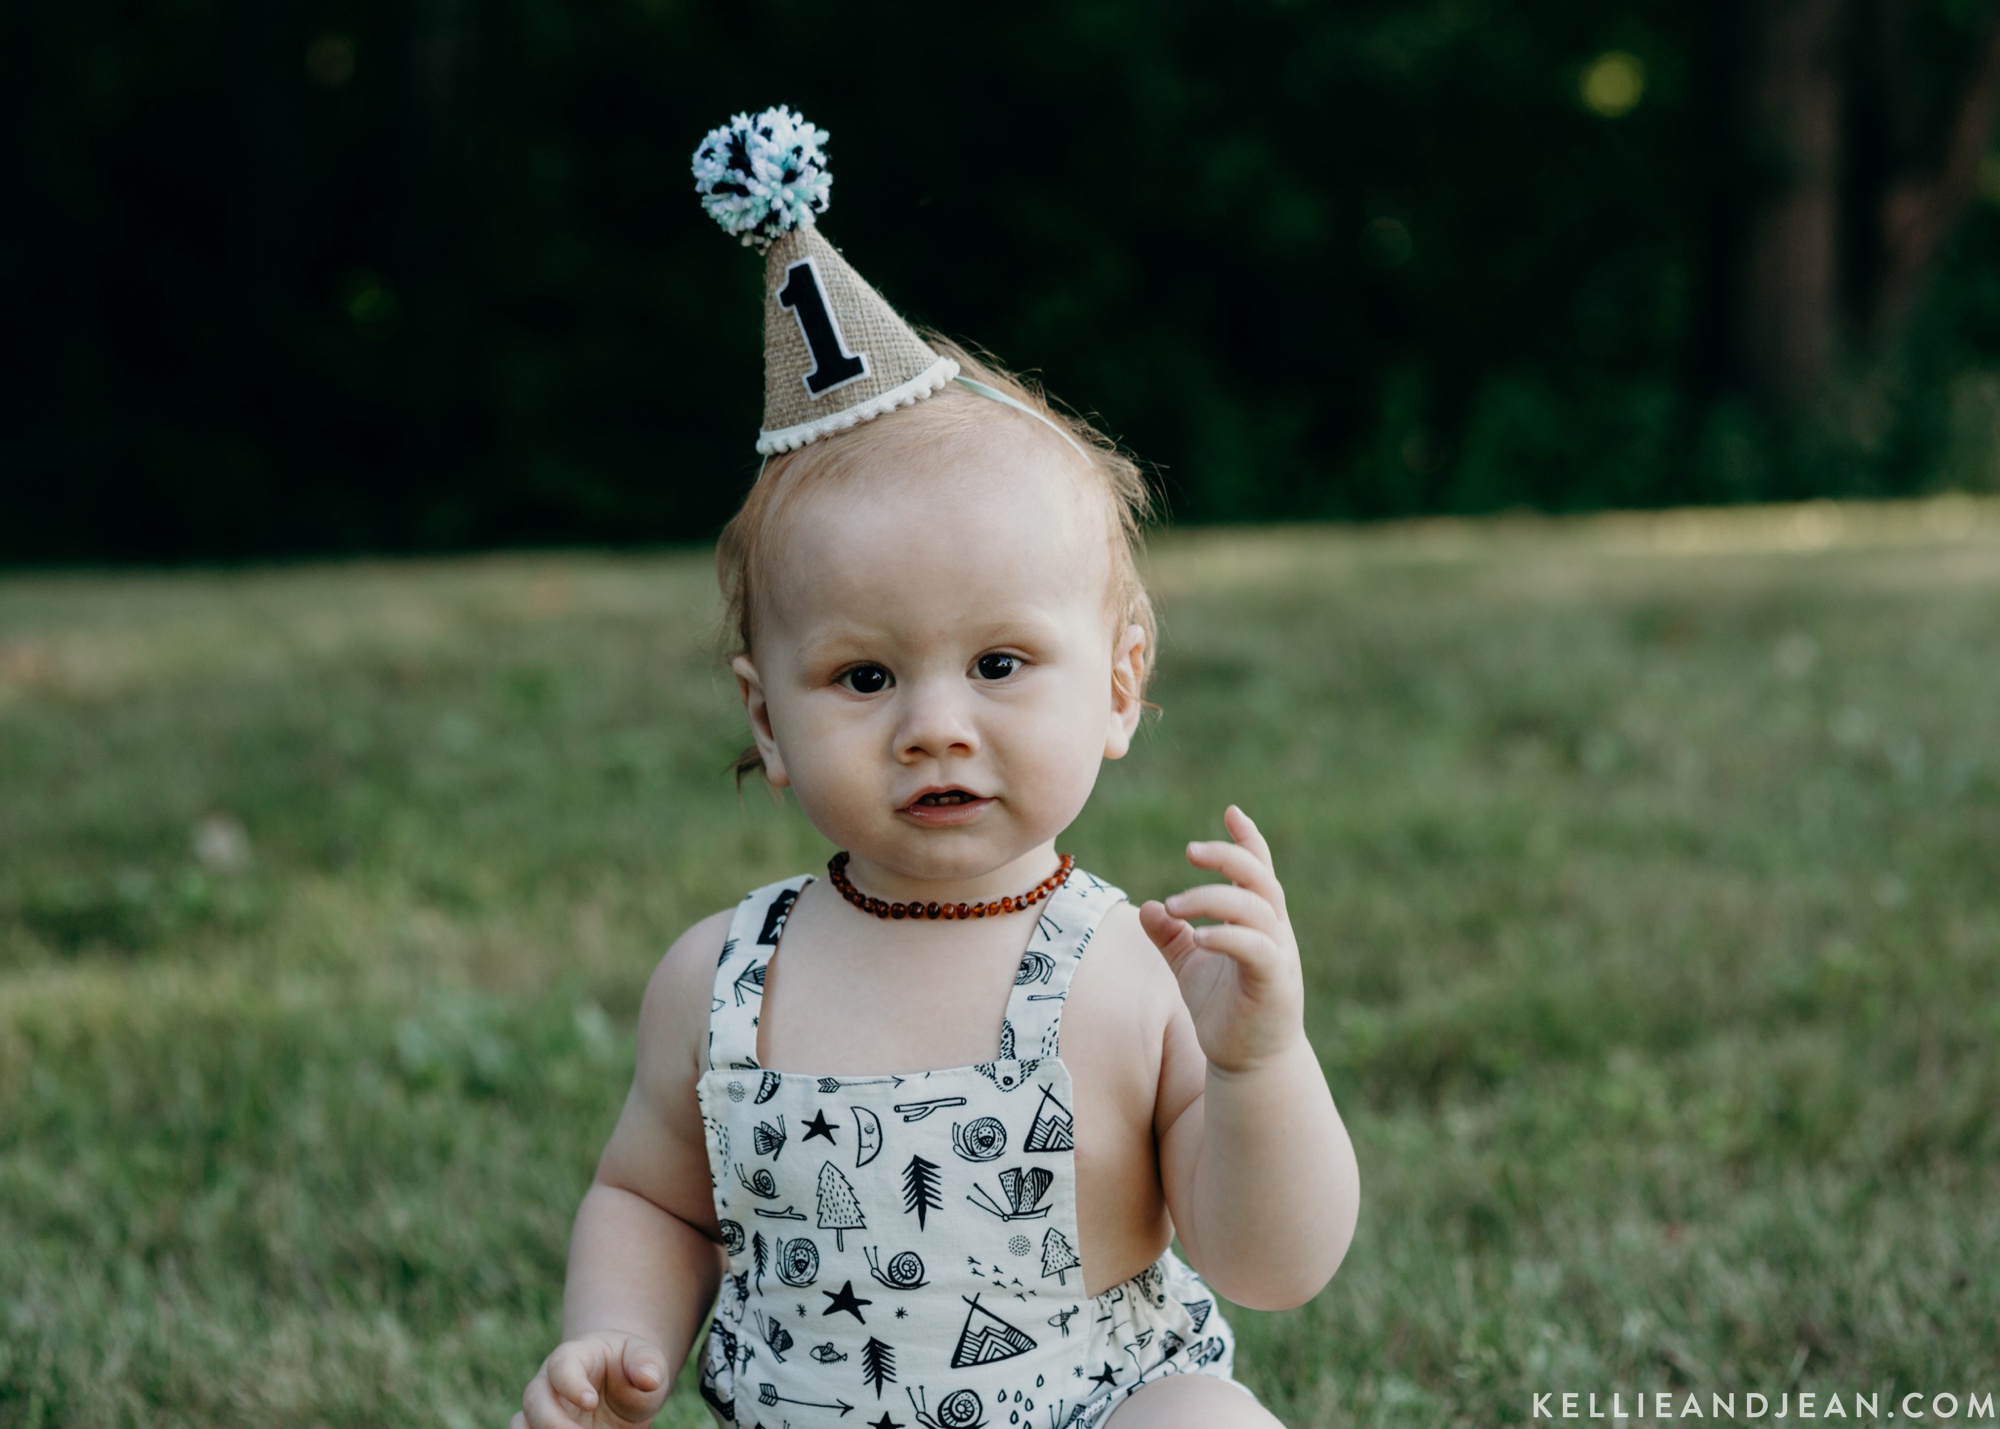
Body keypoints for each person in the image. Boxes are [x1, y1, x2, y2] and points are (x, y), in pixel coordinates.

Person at [513, 107, 1358, 1429]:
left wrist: (1257, 1065)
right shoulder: (722, 982)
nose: (935, 725)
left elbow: (1272, 1262)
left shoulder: (1128, 974)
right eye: (864, 677)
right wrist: (610, 1339)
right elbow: (652, 1196)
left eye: (1001, 664)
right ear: (768, 721)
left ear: (1121, 684)